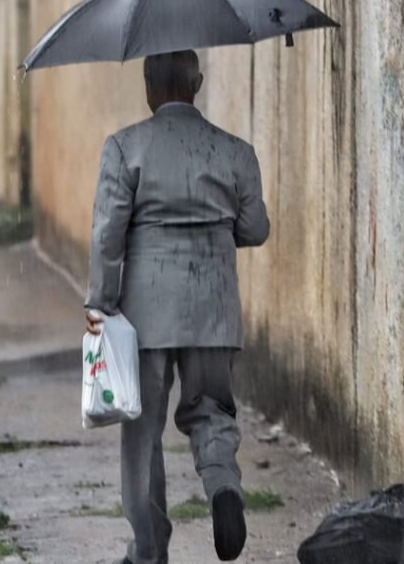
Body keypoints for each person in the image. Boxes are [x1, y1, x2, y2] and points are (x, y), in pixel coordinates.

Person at [83, 50, 270, 564]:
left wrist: (100, 303)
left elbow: (107, 237)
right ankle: (224, 488)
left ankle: (148, 550)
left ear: (148, 86)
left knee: (142, 433)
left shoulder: (125, 148)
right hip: (214, 307)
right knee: (211, 411)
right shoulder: (236, 151)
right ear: (199, 83)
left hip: (144, 315)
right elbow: (255, 228)